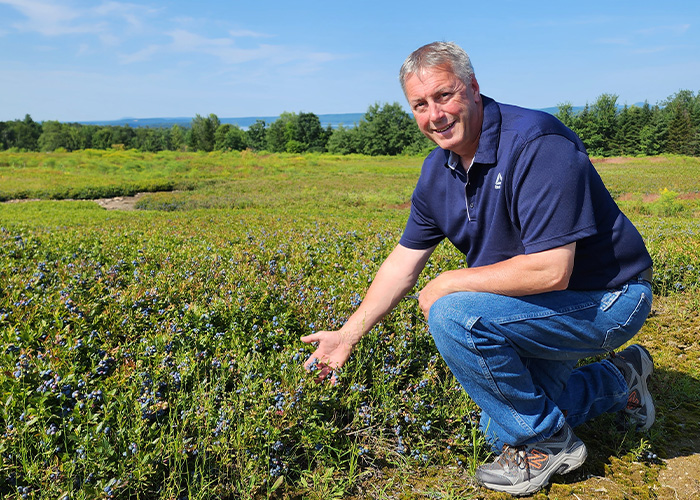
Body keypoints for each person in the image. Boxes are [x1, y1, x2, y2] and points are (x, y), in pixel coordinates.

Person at [301, 41, 655, 496]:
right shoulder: (436, 172)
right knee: (498, 428)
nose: (435, 115)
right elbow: (402, 265)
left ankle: (549, 442)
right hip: (540, 307)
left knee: (455, 314)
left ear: (473, 88)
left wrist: (450, 281)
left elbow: (552, 271)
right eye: (420, 105)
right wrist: (347, 334)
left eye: (444, 96)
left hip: (608, 297)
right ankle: (620, 377)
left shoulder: (537, 143)